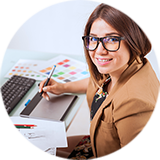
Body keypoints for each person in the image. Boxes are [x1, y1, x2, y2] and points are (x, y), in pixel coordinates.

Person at [39, 0, 160, 159]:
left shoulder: (134, 103)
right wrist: (62, 87)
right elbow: (97, 83)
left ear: (134, 40)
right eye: (94, 39)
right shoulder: (126, 67)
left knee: (38, 155)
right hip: (97, 144)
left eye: (112, 39)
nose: (99, 50)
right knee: (41, 150)